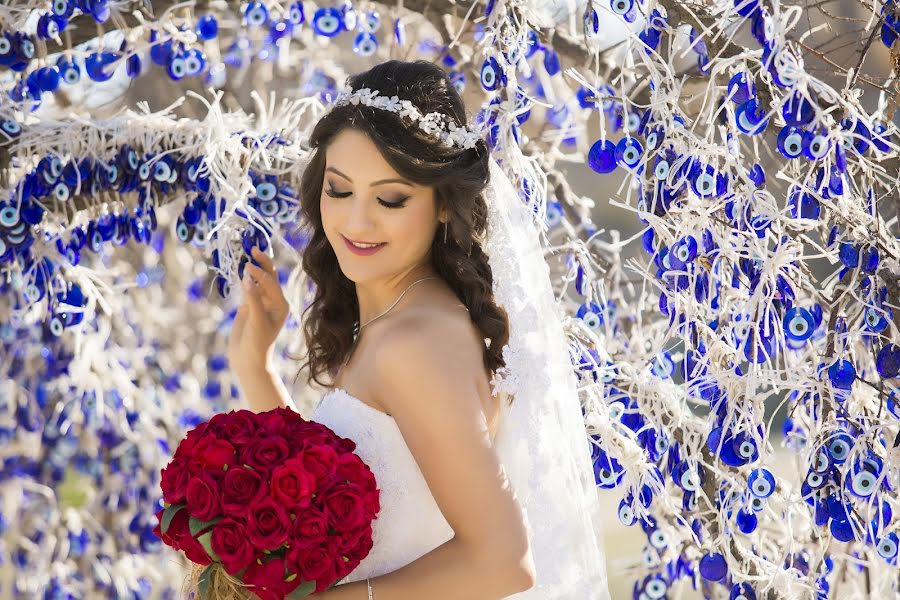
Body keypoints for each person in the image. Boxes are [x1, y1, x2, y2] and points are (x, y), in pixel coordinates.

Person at [227, 59, 610, 599]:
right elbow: (332, 497)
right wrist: (255, 367)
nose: (356, 222)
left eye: (390, 199)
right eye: (339, 190)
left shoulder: (416, 343)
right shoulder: (406, 319)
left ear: (444, 207)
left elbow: (502, 562)